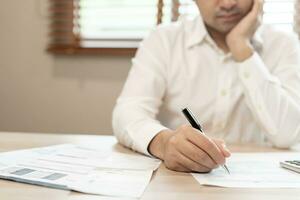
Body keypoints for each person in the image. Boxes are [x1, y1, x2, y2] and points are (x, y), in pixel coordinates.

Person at [112, 0, 300, 173]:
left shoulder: (284, 44)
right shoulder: (164, 39)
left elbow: (287, 135)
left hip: (255, 184)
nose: (228, 3)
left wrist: (241, 46)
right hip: (177, 181)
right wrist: (164, 142)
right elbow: (127, 113)